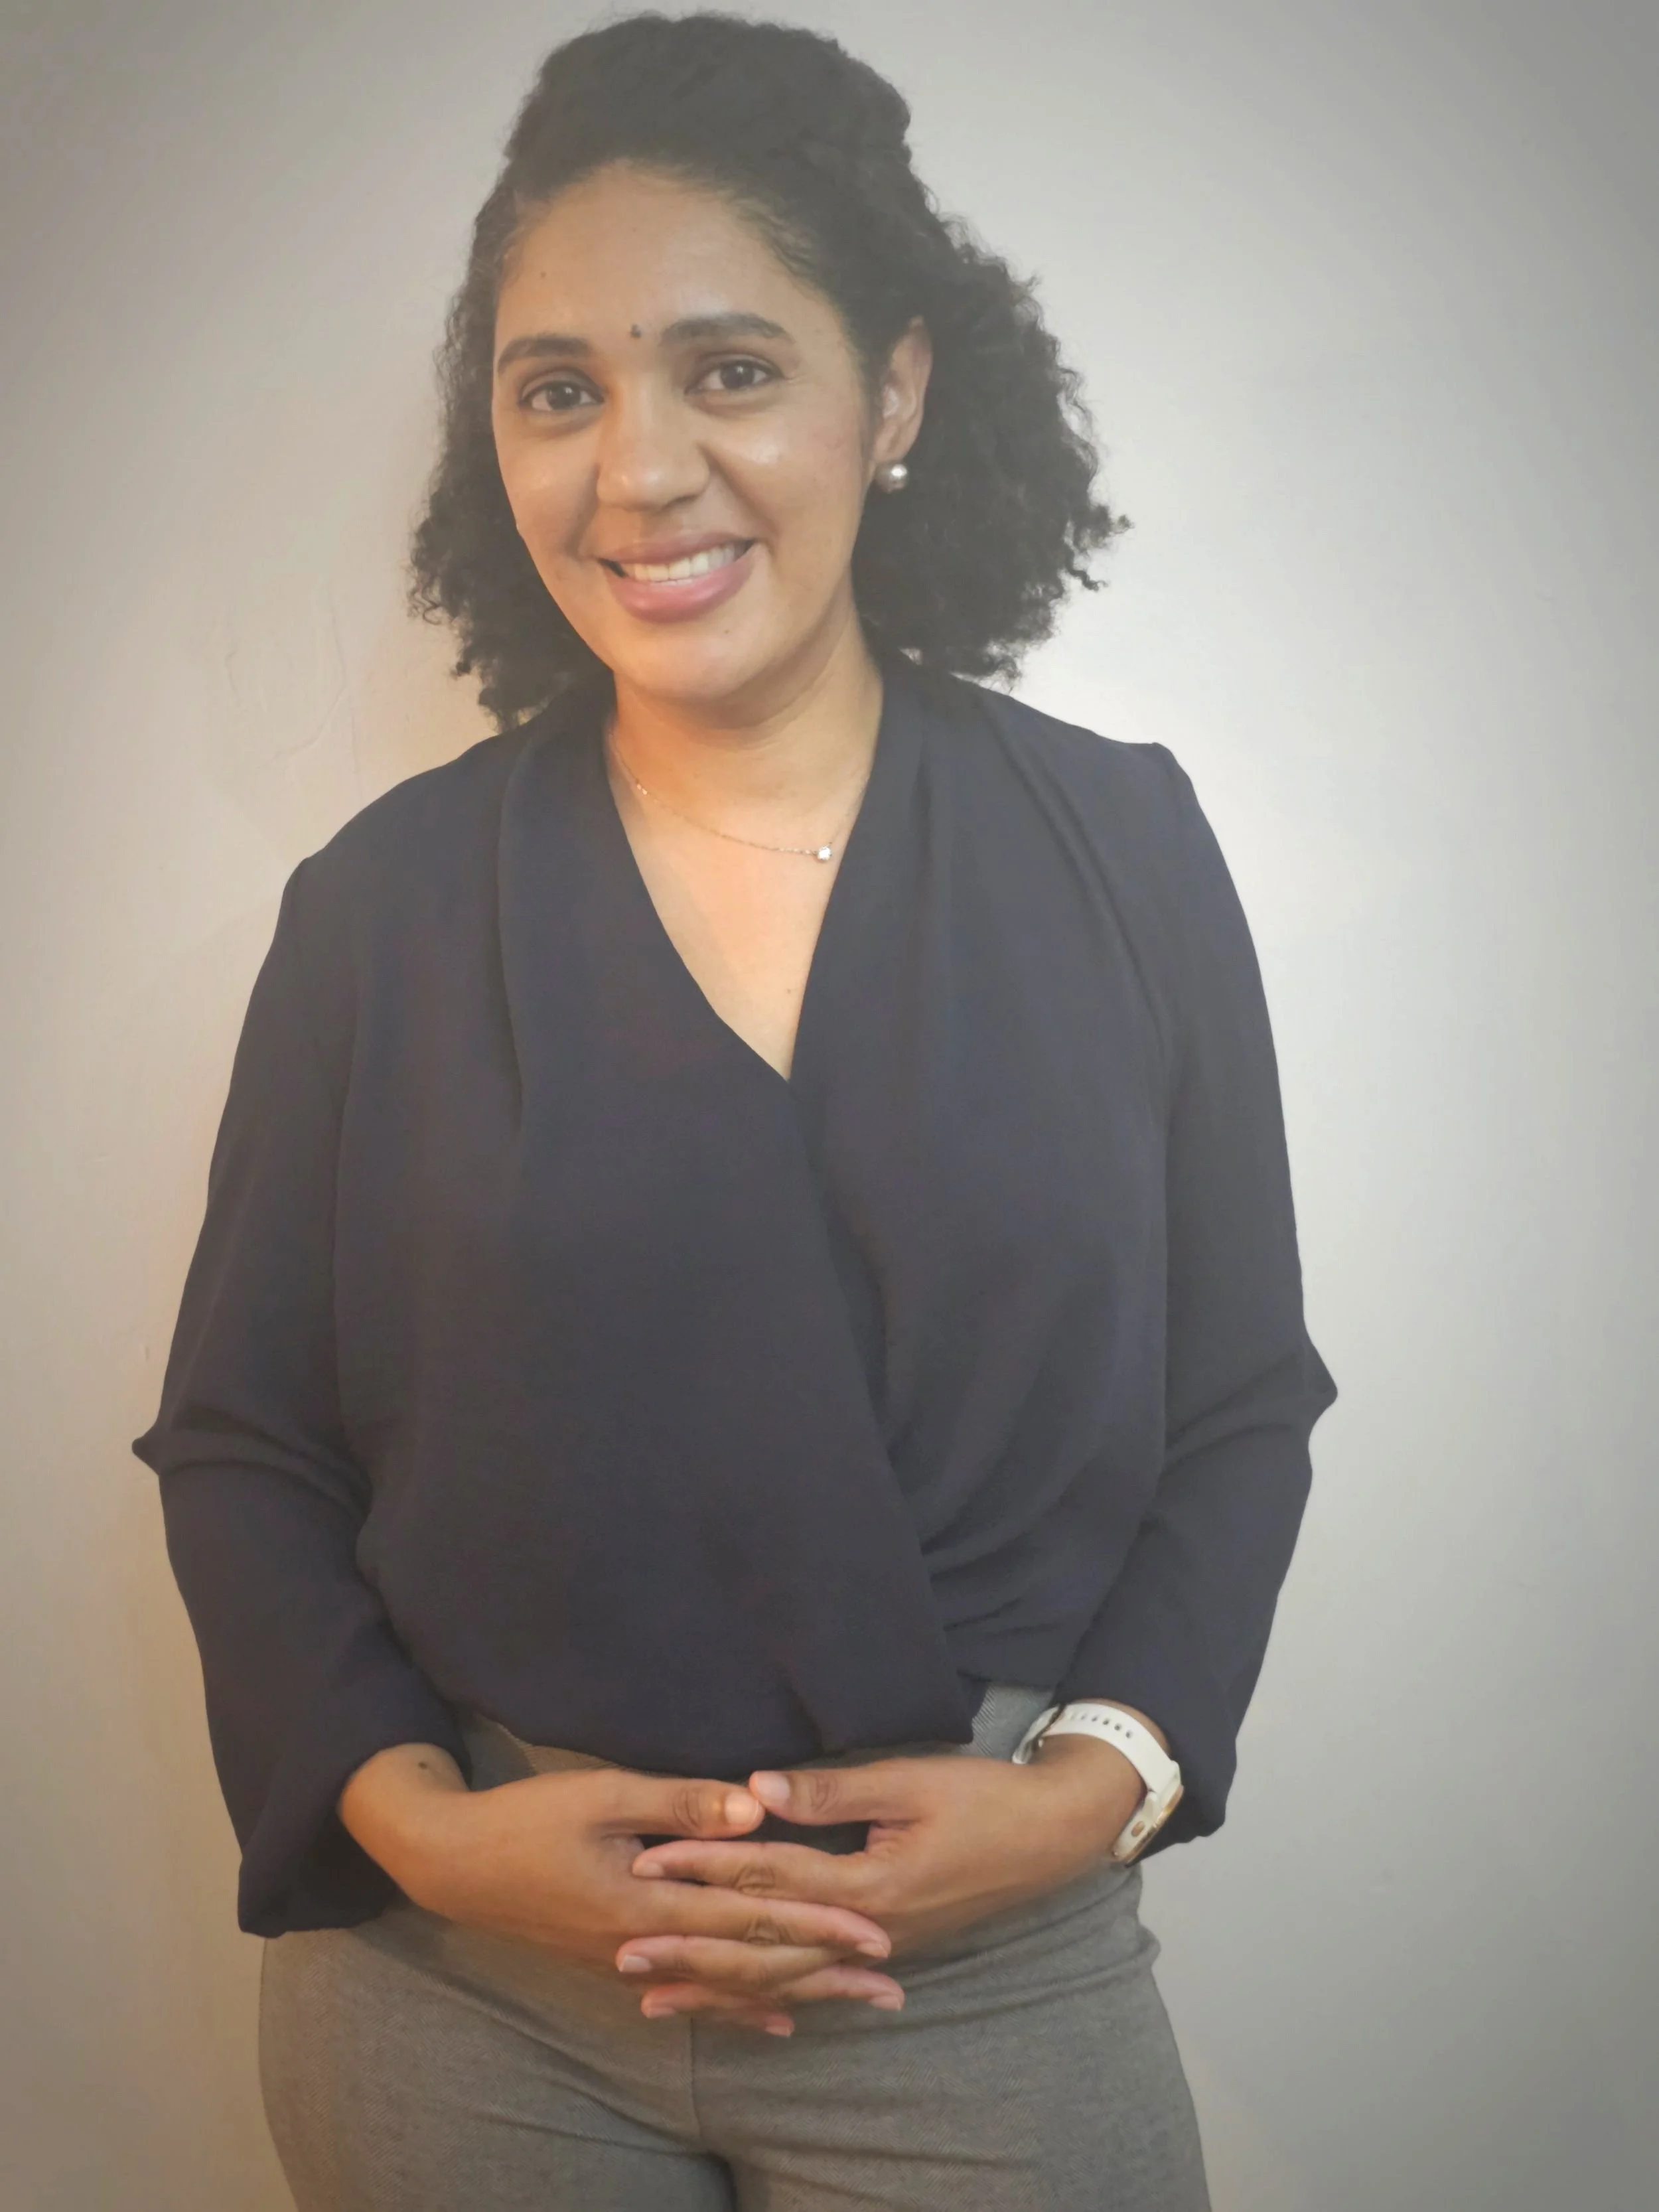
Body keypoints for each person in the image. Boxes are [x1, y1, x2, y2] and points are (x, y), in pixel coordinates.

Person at [133, 12, 1337, 2208]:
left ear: (892, 391)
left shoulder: (1122, 849)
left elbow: (1242, 1396)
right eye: (558, 389)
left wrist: (1100, 1782)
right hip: (464, 2002)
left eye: (731, 369)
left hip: (973, 1976)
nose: (637, 471)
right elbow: (244, 1437)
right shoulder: (383, 907)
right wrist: (418, 1825)